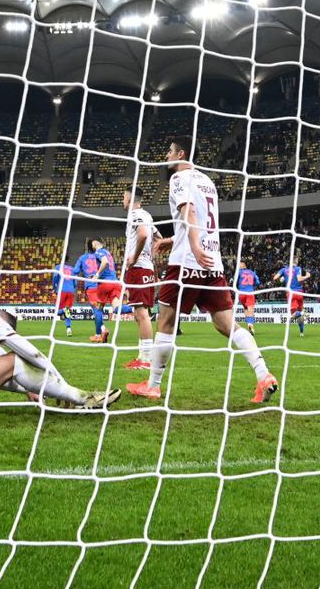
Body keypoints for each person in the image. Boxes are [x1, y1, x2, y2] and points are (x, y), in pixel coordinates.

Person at [126, 138, 277, 403]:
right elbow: (205, 222)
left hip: (187, 261)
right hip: (213, 262)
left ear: (181, 154)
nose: (166, 155)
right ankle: (263, 374)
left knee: (165, 321)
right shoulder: (207, 181)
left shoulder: (179, 178)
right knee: (226, 324)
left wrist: (193, 246)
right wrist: (173, 239)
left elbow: (189, 212)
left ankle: (153, 385)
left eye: (169, 151)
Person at [122, 189, 160, 369]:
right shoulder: (147, 215)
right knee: (139, 313)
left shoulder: (135, 215)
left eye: (124, 197)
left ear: (129, 198)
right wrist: (151, 255)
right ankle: (142, 356)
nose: (123, 200)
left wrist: (136, 257)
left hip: (138, 268)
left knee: (142, 314)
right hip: (145, 267)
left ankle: (146, 359)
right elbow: (158, 238)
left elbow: (143, 234)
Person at [86, 237, 122, 344]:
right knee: (117, 309)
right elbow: (108, 267)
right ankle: (135, 309)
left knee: (98, 310)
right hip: (115, 283)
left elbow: (104, 262)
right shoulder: (108, 253)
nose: (94, 245)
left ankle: (98, 335)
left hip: (105, 285)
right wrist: (97, 274)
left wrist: (97, 275)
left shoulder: (99, 252)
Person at [273, 256, 310, 337]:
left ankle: (297, 315)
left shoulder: (283, 269)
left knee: (294, 313)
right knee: (299, 314)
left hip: (291, 293)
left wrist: (282, 278)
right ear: (296, 262)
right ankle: (301, 332)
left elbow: (275, 278)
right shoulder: (297, 268)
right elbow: (299, 279)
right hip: (299, 293)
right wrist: (307, 276)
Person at [72, 245, 101, 341]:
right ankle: (102, 330)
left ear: (87, 248)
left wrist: (81, 268)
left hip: (91, 286)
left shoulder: (82, 258)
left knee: (96, 310)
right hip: (102, 285)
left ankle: (99, 334)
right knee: (99, 310)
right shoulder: (99, 256)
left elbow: (75, 271)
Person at [51, 254, 76, 337]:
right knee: (67, 311)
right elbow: (75, 282)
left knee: (57, 312)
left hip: (62, 290)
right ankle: (69, 329)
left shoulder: (58, 267)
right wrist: (72, 288)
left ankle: (64, 309)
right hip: (71, 291)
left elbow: (55, 277)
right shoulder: (72, 269)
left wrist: (54, 287)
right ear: (68, 260)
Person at [234, 260, 260, 335]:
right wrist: (252, 285)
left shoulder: (238, 272)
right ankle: (250, 325)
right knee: (251, 311)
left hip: (241, 293)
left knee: (246, 309)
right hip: (250, 292)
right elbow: (258, 282)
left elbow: (234, 281)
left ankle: (249, 324)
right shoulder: (252, 273)